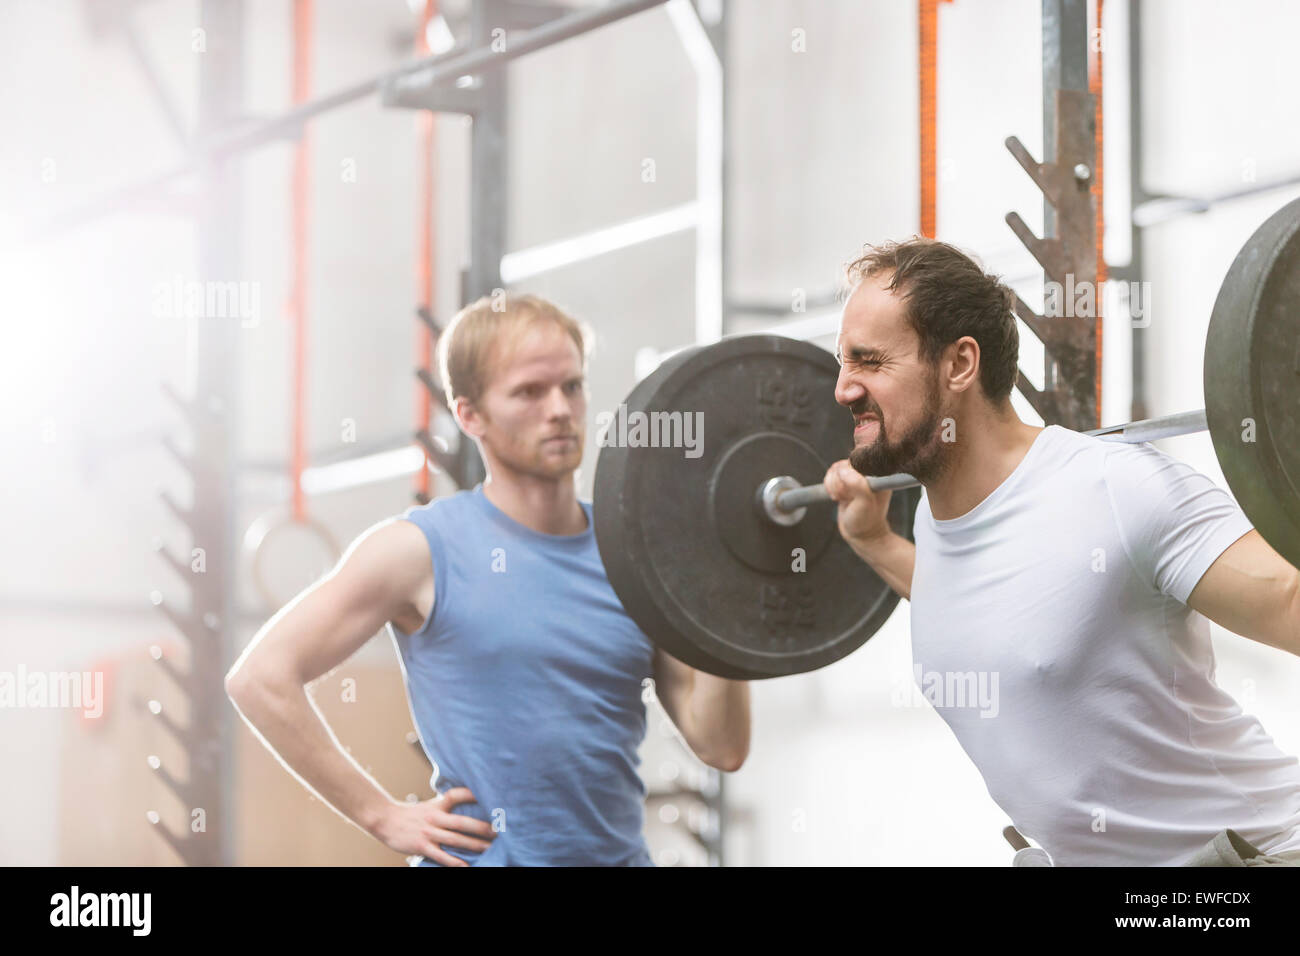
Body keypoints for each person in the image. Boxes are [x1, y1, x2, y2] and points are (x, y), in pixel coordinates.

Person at [821, 237, 1300, 866]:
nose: (841, 389)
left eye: (870, 361)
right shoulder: (943, 524)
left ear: (960, 365)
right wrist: (877, 543)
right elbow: (1010, 614)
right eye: (842, 363)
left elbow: (1289, 600)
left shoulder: (1115, 487)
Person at [226, 293, 750, 866]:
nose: (559, 409)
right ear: (469, 413)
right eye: (530, 392)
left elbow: (720, 745)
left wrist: (720, 584)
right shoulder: (418, 551)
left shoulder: (635, 557)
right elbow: (259, 678)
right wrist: (382, 816)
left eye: (571, 387)